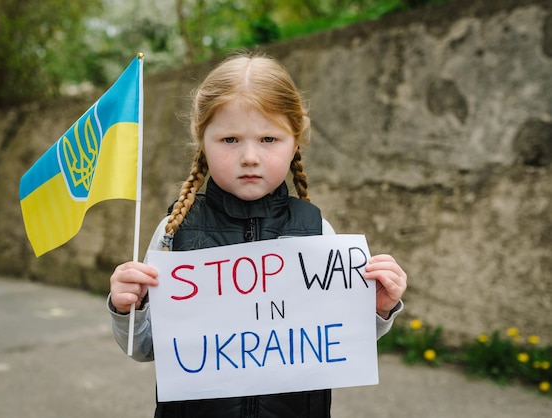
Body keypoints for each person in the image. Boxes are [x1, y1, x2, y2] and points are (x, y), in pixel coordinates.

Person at [108, 52, 407, 418]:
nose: (250, 156)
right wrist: (128, 308)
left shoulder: (316, 232)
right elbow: (143, 347)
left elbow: (337, 343)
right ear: (202, 140)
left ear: (295, 140)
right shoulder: (175, 231)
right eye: (230, 139)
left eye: (269, 139)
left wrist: (377, 309)